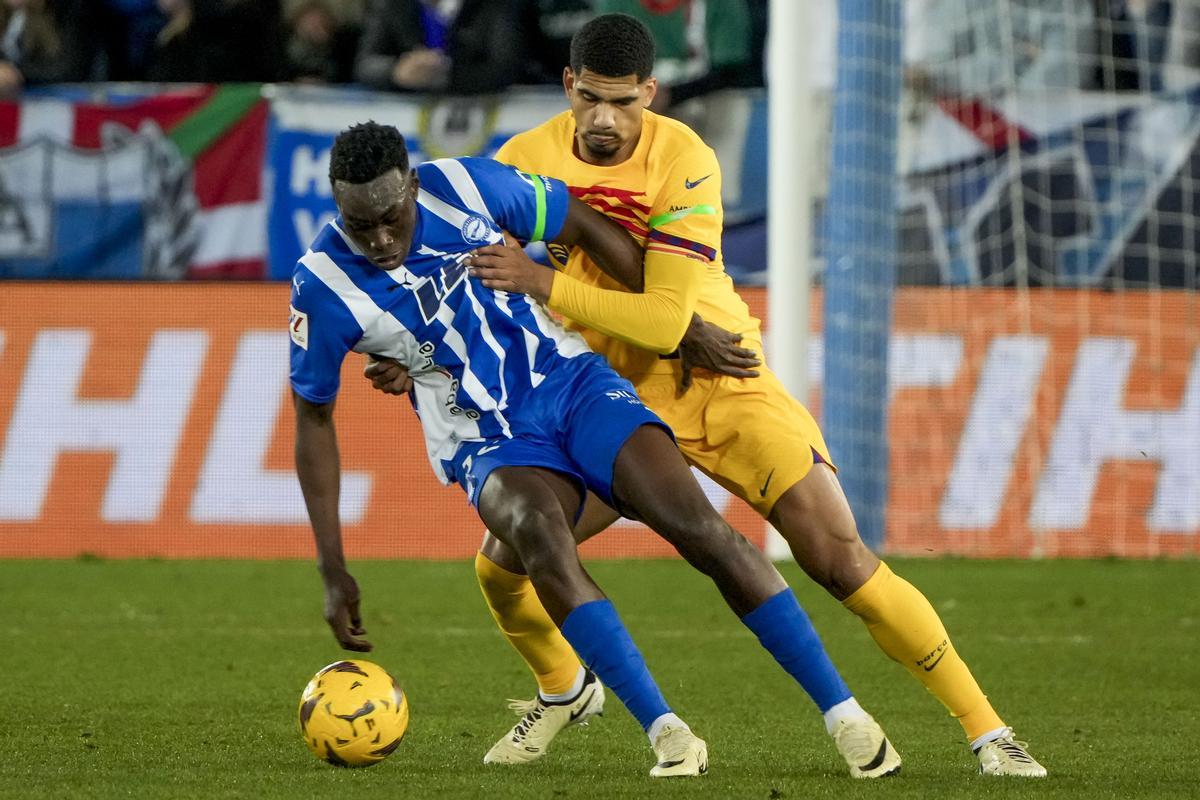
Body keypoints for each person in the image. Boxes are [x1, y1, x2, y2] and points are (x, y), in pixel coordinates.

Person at [366, 13, 1048, 778]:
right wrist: (418, 356)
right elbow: (461, 279)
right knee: (505, 564)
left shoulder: (684, 156)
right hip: (604, 399)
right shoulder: (522, 162)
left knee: (837, 557)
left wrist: (546, 280)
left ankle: (990, 733)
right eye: (589, 98)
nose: (603, 118)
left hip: (717, 380)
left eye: (623, 102)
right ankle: (563, 691)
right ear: (567, 86)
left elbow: (666, 319)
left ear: (650, 94)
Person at [291, 121, 898, 778]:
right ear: (337, 208)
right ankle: (667, 732)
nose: (380, 239)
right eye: (361, 226)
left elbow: (579, 222)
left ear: (411, 185)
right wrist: (332, 566)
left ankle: (847, 716)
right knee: (535, 532)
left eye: (390, 218)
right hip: (484, 436)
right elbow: (313, 420)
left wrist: (677, 323)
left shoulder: (466, 185)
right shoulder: (322, 285)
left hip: (573, 384)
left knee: (700, 530)